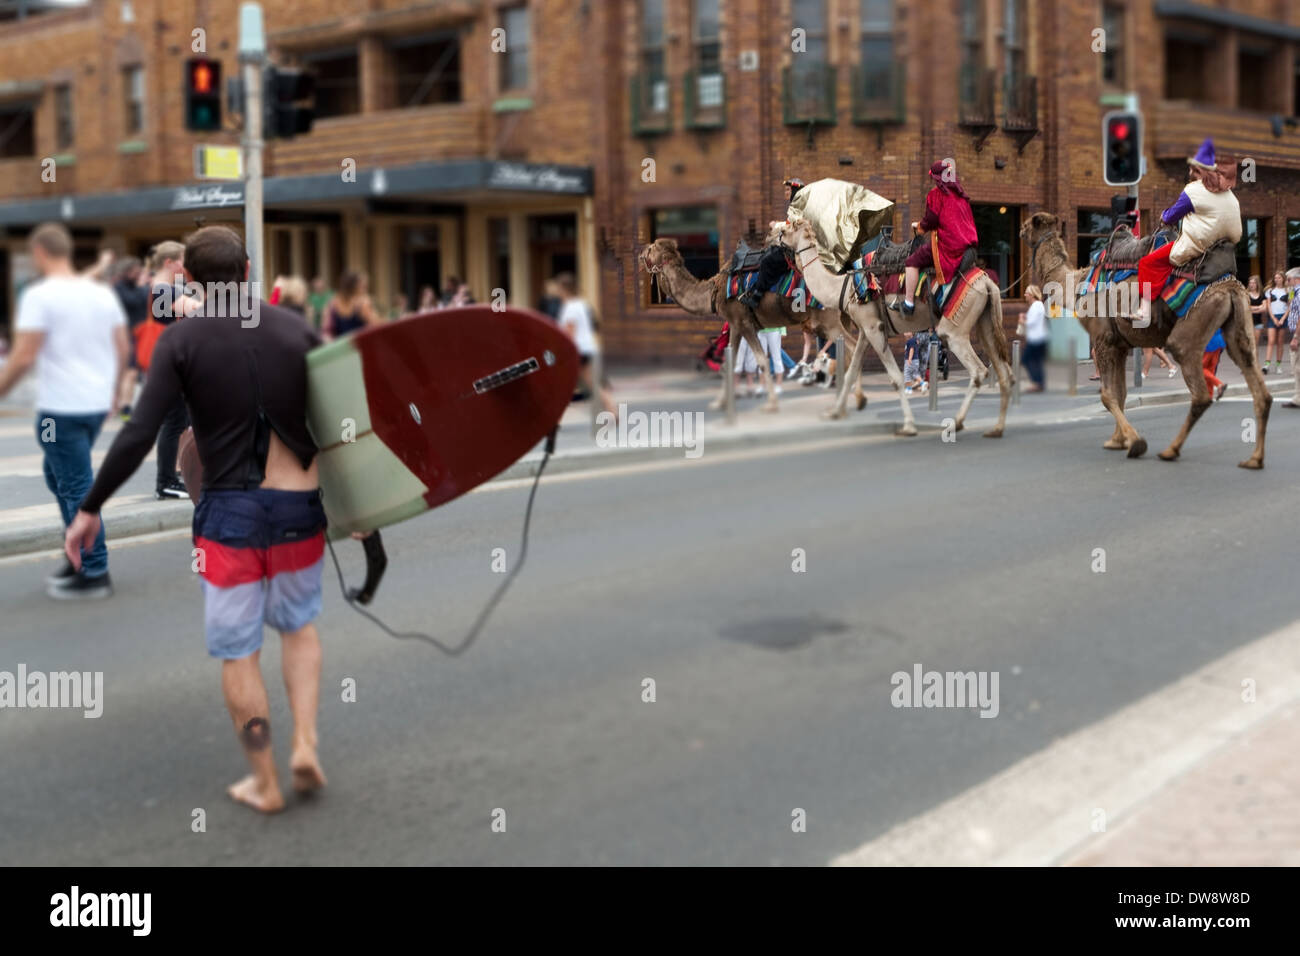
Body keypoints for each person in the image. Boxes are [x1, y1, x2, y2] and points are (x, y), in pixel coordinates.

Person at [66, 225, 330, 813]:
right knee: (299, 627)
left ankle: (265, 782)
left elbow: (139, 433)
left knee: (240, 654)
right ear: (247, 271)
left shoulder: (182, 341)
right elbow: (344, 418)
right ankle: (306, 745)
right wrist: (367, 513)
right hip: (298, 506)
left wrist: (90, 509)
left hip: (229, 513)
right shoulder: (296, 329)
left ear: (187, 278)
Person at [0, 223, 129, 598]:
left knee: (75, 485)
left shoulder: (40, 296)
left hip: (60, 413)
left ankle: (94, 569)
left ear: (39, 252)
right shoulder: (100, 294)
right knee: (57, 475)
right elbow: (122, 347)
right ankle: (79, 552)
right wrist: (115, 392)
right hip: (91, 408)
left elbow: (23, 355)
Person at [1136, 138, 1240, 322]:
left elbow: (1170, 217)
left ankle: (1144, 309)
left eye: (1195, 170)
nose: (1191, 173)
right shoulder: (1229, 192)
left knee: (1147, 263)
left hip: (1199, 243)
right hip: (1225, 244)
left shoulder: (1193, 190)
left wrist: (1163, 216)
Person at [146, 241, 202, 500]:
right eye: (182, 260)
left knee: (181, 420)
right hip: (169, 364)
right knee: (174, 421)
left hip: (169, 362)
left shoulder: (164, 288)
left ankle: (173, 474)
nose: (185, 265)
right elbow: (196, 311)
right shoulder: (162, 290)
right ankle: (166, 481)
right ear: (169, 263)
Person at [891, 159, 978, 315]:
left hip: (948, 245)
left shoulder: (936, 195)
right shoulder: (961, 195)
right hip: (968, 245)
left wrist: (919, 227)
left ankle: (909, 304)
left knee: (911, 262)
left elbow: (931, 220)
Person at [555, 272, 617, 419]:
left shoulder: (569, 307)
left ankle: (554, 418)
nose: (557, 292)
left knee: (561, 384)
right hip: (588, 347)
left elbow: (569, 333)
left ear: (563, 289)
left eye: (558, 288)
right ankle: (612, 410)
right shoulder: (581, 303)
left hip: (577, 350)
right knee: (592, 382)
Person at [738, 177, 804, 309]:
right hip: (792, 246)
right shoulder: (796, 206)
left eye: (787, 190)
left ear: (795, 191)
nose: (785, 193)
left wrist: (776, 226)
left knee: (767, 261)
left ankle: (758, 295)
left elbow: (793, 227)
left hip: (794, 250)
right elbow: (789, 224)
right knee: (768, 253)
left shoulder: (799, 207)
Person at [111, 256, 150, 417]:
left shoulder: (137, 286)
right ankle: (124, 406)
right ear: (126, 271)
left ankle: (124, 404)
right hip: (127, 334)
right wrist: (143, 286)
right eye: (135, 271)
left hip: (142, 333)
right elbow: (133, 301)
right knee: (131, 371)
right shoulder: (119, 288)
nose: (138, 273)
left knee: (135, 371)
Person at [322, 271, 382, 340]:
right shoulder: (362, 303)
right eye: (363, 285)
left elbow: (326, 330)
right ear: (354, 286)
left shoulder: (333, 303)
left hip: (341, 346)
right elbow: (376, 325)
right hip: (359, 345)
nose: (365, 288)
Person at [1017, 285, 1049, 392]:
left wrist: (1022, 320)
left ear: (1031, 295)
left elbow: (1031, 323)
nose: (1025, 295)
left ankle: (1037, 382)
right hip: (1039, 338)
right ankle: (1039, 383)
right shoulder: (1038, 305)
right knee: (1037, 361)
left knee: (1026, 360)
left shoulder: (1036, 306)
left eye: (1026, 293)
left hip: (1036, 339)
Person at [1264, 271, 1289, 375]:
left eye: (1279, 278)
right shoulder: (1269, 291)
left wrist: (1283, 318)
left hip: (1283, 316)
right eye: (1275, 278)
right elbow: (1269, 305)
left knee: (1280, 342)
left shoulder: (1289, 290)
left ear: (1283, 278)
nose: (1277, 280)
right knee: (1271, 341)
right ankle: (1267, 364)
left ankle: (1278, 365)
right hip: (1273, 317)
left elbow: (1290, 306)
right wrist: (1273, 318)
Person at [1285, 267, 1300, 408]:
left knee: (1297, 366)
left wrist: (1295, 337)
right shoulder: (1294, 293)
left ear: (1296, 279)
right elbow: (1290, 307)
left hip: (1298, 333)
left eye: (1288, 279)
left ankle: (1298, 398)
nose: (1287, 282)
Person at [1202, 326, 1227, 402]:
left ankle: (1219, 384)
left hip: (1208, 343)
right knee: (1210, 371)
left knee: (1199, 369)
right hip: (1218, 341)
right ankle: (1209, 396)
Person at [1246, 275, 1266, 357]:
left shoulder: (1262, 295)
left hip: (1258, 323)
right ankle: (1247, 365)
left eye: (1254, 283)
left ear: (1257, 284)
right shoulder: (1246, 294)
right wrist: (1258, 307)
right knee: (1249, 344)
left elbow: (1264, 308)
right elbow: (1246, 307)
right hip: (1248, 322)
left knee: (1255, 344)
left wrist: (1252, 309)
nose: (1252, 285)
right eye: (1250, 283)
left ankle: (1255, 365)